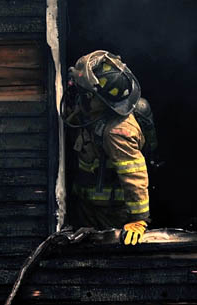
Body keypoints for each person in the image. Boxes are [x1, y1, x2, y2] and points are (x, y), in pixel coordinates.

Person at [62, 50, 152, 246]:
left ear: (94, 98)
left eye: (81, 91)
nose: (76, 93)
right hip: (86, 206)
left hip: (110, 215)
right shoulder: (93, 112)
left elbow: (134, 175)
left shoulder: (117, 132)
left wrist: (138, 219)